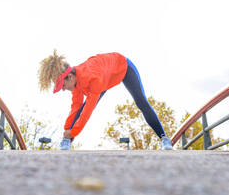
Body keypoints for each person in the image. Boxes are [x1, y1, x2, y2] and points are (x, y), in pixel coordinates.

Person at [38, 50, 173, 150]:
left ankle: (164, 139)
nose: (62, 89)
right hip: (105, 77)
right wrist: (67, 130)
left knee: (141, 102)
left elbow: (87, 111)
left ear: (71, 77)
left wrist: (73, 132)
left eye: (62, 85)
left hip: (123, 67)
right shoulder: (76, 80)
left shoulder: (92, 79)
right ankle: (66, 141)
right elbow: (76, 107)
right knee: (78, 108)